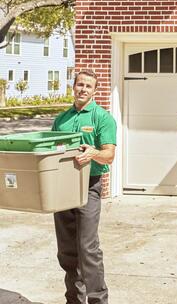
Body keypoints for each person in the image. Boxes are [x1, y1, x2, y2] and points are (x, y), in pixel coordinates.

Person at [52, 70, 116, 304]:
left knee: (87, 247)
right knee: (67, 249)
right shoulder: (61, 119)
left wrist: (93, 153)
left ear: (94, 91)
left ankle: (98, 300)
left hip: (88, 186)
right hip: (62, 187)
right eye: (80, 84)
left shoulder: (102, 117)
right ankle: (73, 300)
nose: (83, 89)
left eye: (88, 86)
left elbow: (109, 155)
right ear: (73, 87)